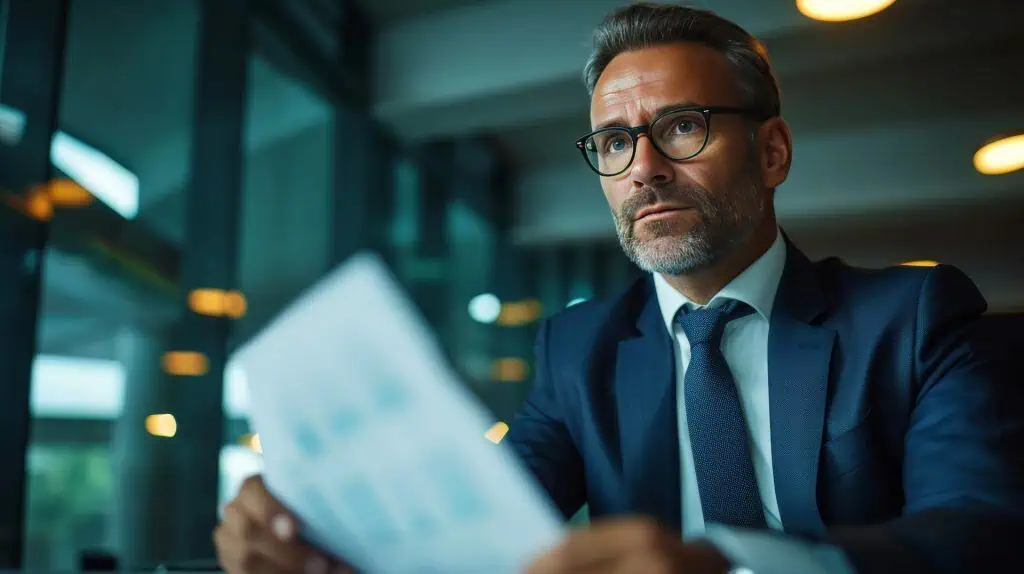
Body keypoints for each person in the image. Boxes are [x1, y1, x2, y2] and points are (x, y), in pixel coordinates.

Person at [213, 3, 1024, 573]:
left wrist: (727, 563)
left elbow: (981, 534)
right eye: (612, 141)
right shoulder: (578, 349)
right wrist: (317, 536)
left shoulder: (914, 318)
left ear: (772, 151)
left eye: (681, 126)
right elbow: (486, 527)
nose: (644, 169)